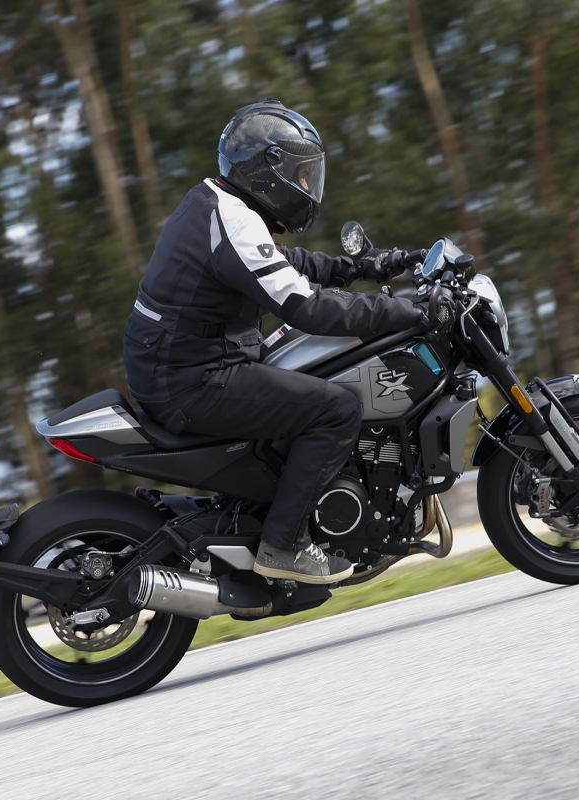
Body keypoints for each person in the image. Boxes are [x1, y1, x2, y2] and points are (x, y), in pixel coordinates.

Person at [124, 98, 427, 585]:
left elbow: (285, 263)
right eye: (301, 175)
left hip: (182, 365)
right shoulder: (231, 218)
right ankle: (284, 546)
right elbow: (305, 305)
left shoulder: (216, 204)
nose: (307, 187)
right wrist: (409, 312)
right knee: (337, 409)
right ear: (269, 170)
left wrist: (361, 268)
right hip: (192, 379)